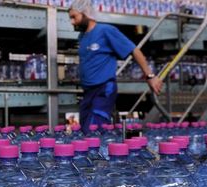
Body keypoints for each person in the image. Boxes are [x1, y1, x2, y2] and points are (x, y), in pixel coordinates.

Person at [69, 0, 163, 134]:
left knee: (94, 130)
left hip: (104, 89)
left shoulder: (105, 30)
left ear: (86, 14)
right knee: (84, 131)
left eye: (74, 17)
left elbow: (134, 50)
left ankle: (101, 154)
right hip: (88, 92)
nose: (72, 22)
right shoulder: (82, 37)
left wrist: (150, 76)